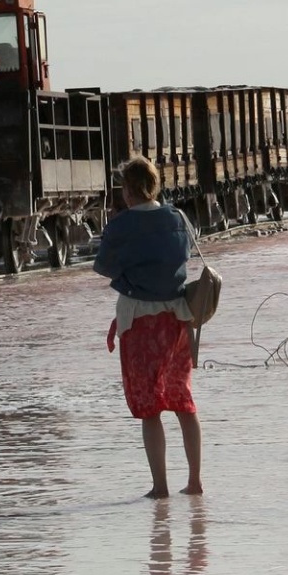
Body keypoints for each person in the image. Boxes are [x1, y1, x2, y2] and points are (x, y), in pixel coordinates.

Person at [94, 155, 202, 498]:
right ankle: (195, 481)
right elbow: (185, 254)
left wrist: (128, 273)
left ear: (127, 191)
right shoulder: (179, 217)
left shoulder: (121, 226)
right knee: (183, 401)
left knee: (150, 407)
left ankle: (160, 487)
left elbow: (104, 267)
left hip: (140, 320)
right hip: (178, 319)